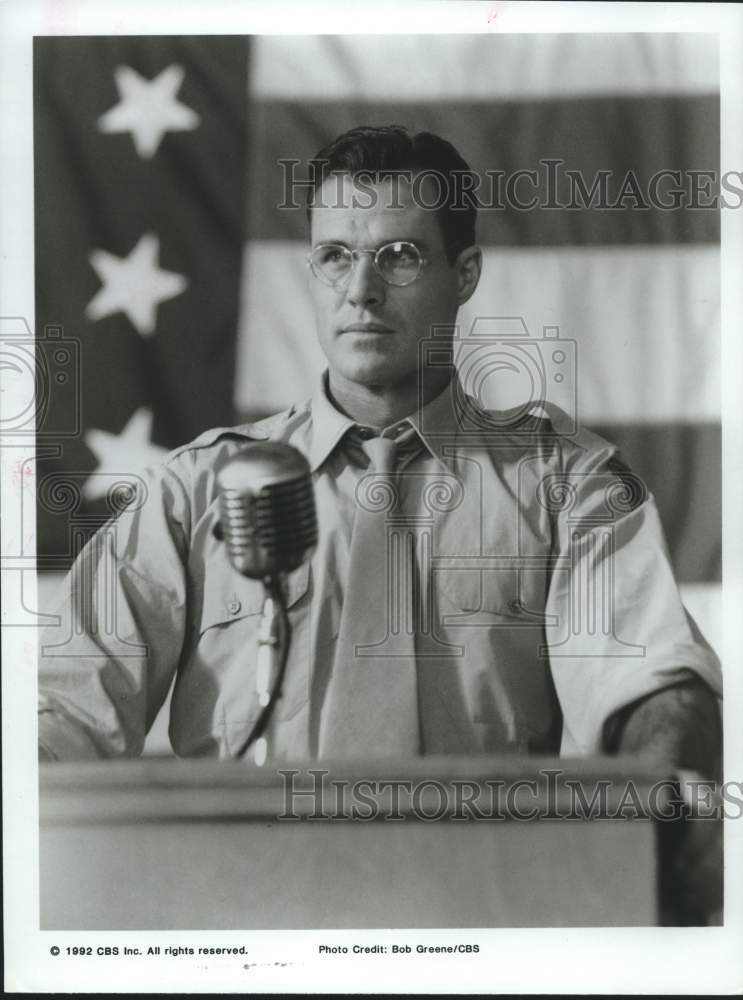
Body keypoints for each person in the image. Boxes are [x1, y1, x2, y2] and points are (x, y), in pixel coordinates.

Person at [38, 126, 722, 779]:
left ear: (464, 274)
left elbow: (649, 686)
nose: (359, 290)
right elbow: (65, 713)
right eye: (335, 255)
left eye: (398, 257)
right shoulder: (193, 492)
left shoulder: (567, 485)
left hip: (480, 883)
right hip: (245, 882)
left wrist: (667, 792)